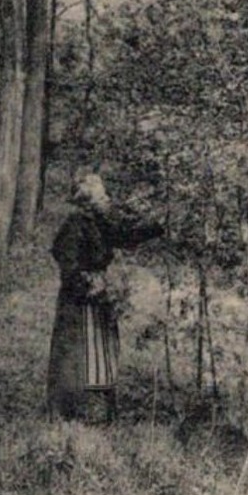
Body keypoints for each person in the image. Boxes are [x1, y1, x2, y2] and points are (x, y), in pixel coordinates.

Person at [46, 169, 164, 422]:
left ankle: (100, 408)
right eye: (101, 192)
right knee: (79, 353)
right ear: (86, 196)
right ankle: (77, 410)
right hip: (79, 300)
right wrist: (87, 285)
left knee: (103, 350)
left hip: (99, 295)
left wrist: (159, 224)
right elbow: (67, 262)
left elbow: (126, 234)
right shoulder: (76, 222)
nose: (106, 197)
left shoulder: (100, 220)